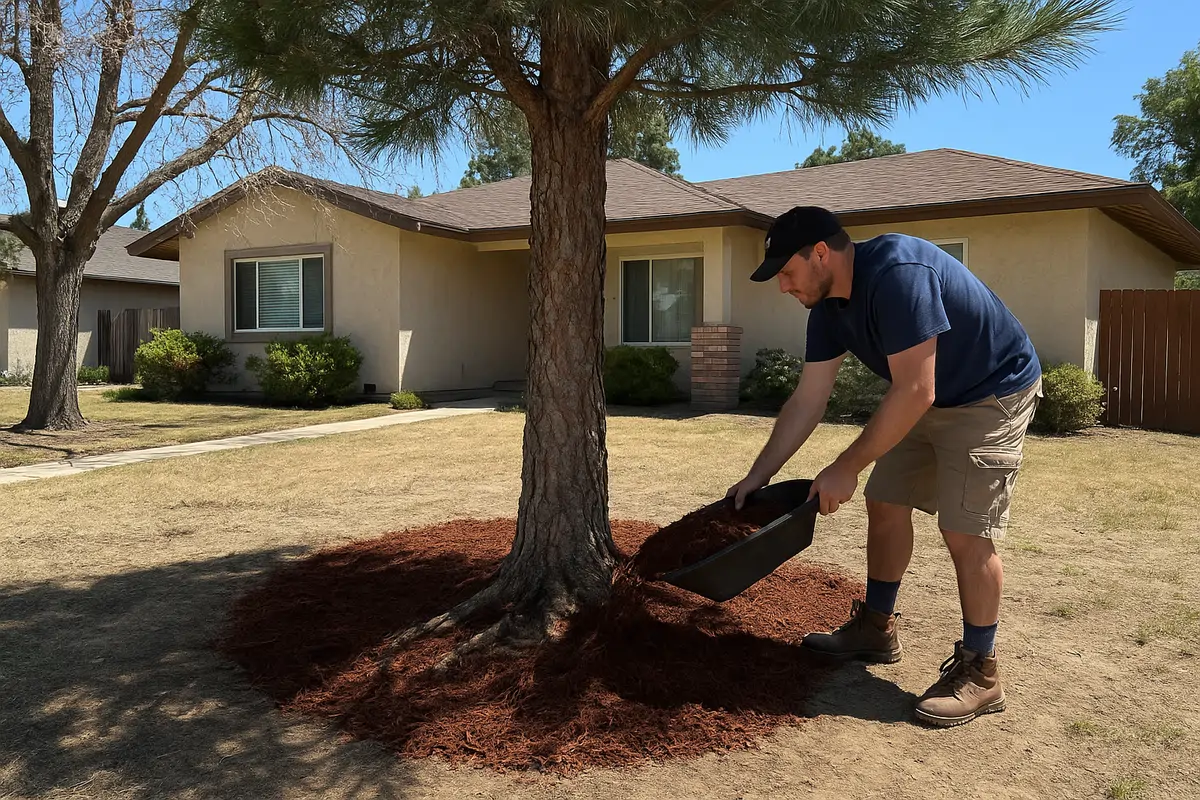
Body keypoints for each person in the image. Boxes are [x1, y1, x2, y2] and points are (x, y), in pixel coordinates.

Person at [728, 205, 1042, 728]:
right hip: (928, 395)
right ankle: (876, 628)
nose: (782, 286)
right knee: (885, 500)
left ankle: (982, 672)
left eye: (786, 272)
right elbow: (809, 399)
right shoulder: (827, 308)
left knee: (965, 530)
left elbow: (917, 387)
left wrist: (845, 465)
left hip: (992, 392)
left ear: (821, 253)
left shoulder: (899, 273)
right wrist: (757, 476)